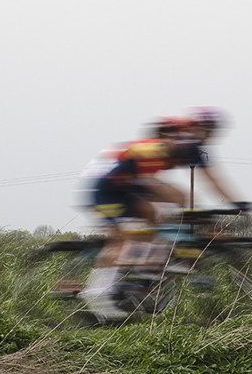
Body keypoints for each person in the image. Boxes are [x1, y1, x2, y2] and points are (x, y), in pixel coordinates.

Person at [80, 117, 189, 323]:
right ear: (166, 137)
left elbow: (151, 186)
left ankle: (144, 266)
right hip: (105, 190)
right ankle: (96, 293)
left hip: (123, 188)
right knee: (119, 240)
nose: (180, 141)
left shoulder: (162, 153)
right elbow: (152, 185)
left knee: (152, 215)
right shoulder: (153, 149)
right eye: (177, 137)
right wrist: (176, 198)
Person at [171, 107, 252, 211]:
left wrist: (234, 202)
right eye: (211, 130)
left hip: (147, 176)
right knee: (182, 199)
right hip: (146, 177)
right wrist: (235, 203)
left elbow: (212, 181)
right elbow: (211, 181)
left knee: (182, 200)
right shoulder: (190, 145)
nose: (212, 135)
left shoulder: (185, 139)